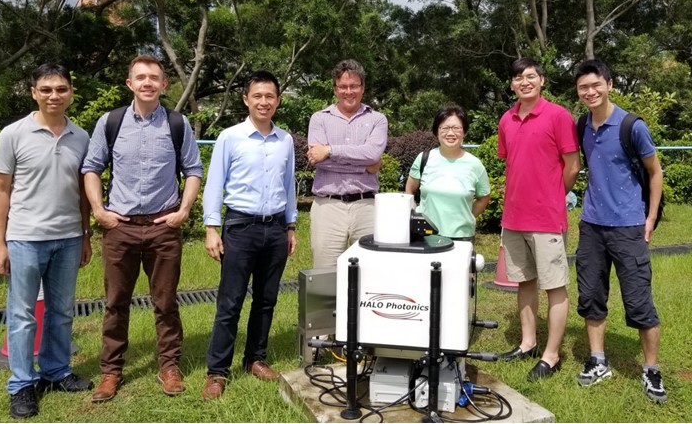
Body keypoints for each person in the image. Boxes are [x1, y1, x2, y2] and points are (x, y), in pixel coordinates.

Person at [82, 55, 202, 402]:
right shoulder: (111, 122)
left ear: (164, 85)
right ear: (129, 83)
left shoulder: (177, 123)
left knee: (165, 302)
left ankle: (168, 366)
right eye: (141, 77)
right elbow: (91, 167)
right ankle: (111, 371)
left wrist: (184, 210)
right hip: (119, 228)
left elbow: (193, 169)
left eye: (154, 77)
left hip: (164, 228)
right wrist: (98, 211)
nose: (147, 82)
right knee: (116, 302)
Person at [0, 63, 93, 419]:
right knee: (21, 316)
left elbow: (84, 193)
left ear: (71, 92)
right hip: (24, 239)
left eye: (61, 89)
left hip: (67, 238)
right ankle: (21, 384)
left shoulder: (81, 137)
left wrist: (85, 235)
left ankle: (56, 371)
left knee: (62, 312)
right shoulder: (13, 134)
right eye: (46, 89)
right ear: (34, 92)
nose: (54, 95)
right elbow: (1, 190)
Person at [201, 70, 298, 400]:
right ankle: (217, 371)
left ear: (278, 101)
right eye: (257, 96)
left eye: (270, 96)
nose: (264, 102)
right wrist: (212, 228)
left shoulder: (285, 140)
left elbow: (289, 185)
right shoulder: (230, 137)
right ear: (246, 99)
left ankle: (255, 358)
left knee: (267, 299)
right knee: (230, 301)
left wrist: (291, 225)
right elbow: (215, 183)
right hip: (240, 227)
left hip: (275, 229)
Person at [573, 59, 666, 402]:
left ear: (610, 84)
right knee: (591, 296)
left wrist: (650, 217)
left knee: (639, 301)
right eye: (583, 87)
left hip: (628, 227)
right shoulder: (582, 124)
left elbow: (655, 172)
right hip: (592, 227)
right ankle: (598, 361)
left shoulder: (631, 126)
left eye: (596, 85)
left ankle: (651, 370)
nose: (590, 92)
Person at [497, 57, 580, 382]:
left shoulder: (558, 116)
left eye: (530, 76)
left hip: (546, 218)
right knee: (525, 281)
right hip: (514, 217)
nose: (524, 82)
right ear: (512, 84)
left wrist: (552, 196)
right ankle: (528, 343)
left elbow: (571, 165)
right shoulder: (506, 119)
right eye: (518, 78)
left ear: (541, 80)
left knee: (554, 286)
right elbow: (513, 164)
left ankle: (552, 354)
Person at [307, 59, 388, 269]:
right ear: (335, 89)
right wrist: (364, 166)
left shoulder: (378, 119)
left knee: (371, 273)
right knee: (326, 275)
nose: (348, 91)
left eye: (354, 86)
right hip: (328, 206)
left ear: (363, 88)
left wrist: (330, 151)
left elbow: (372, 153)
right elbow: (319, 161)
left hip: (366, 205)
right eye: (343, 86)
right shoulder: (319, 119)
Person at [404, 105, 491, 240]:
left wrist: (467, 216)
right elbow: (409, 191)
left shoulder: (475, 164)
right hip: (425, 236)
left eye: (456, 128)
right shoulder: (424, 158)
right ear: (436, 131)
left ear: (464, 132)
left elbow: (483, 197)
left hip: (461, 237)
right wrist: (416, 216)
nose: (451, 133)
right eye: (445, 128)